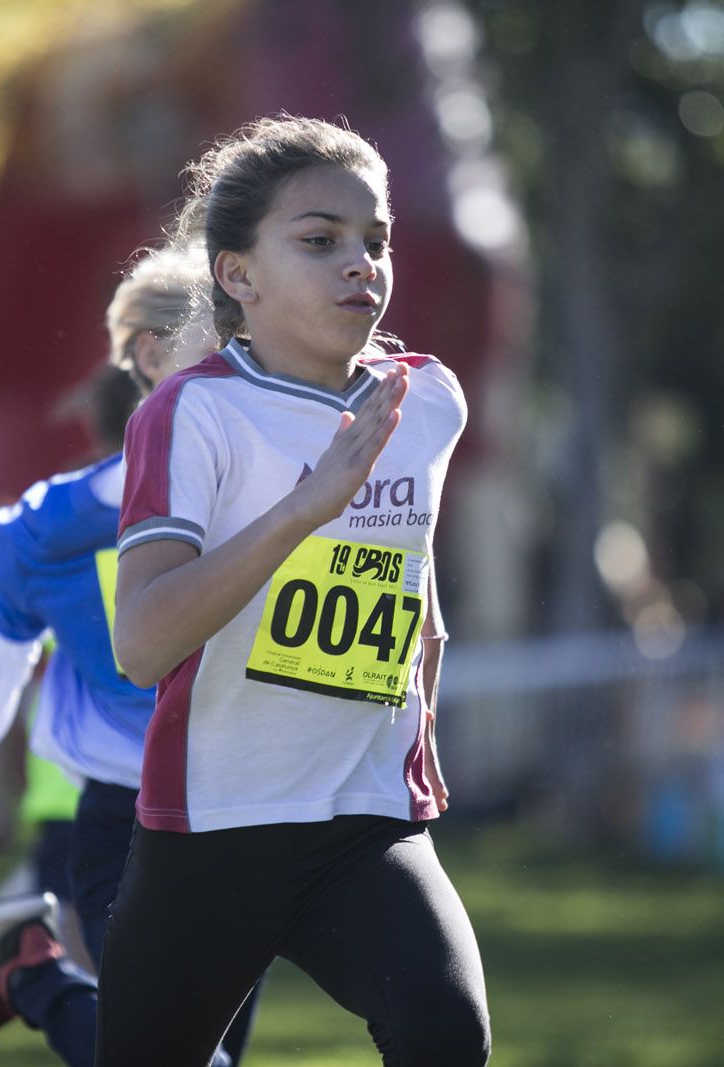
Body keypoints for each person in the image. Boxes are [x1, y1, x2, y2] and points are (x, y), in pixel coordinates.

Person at [98, 115, 490, 1066]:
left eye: (375, 240)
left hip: (364, 821)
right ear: (239, 274)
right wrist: (302, 510)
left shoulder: (427, 401)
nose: (362, 263)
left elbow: (408, 584)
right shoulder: (190, 412)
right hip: (213, 829)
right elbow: (143, 642)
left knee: (446, 1040)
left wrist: (419, 682)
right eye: (320, 241)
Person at [0, 249, 259, 1067]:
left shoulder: (279, 489)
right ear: (148, 357)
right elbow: (4, 626)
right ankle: (39, 977)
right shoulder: (68, 517)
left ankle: (32, 969)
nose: (245, 363)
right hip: (122, 827)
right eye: (224, 340)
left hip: (248, 817)